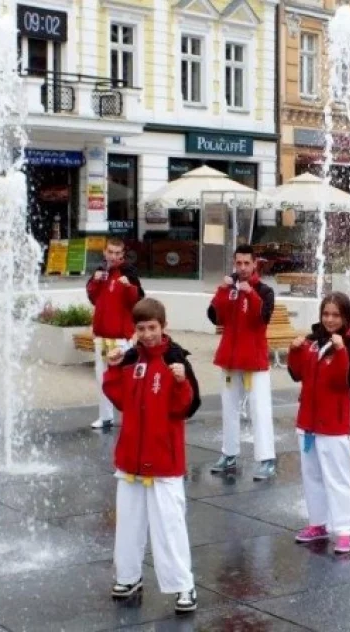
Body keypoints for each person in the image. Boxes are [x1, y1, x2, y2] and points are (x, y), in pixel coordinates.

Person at [102, 298, 201, 612]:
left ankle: (184, 586)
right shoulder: (132, 360)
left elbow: (185, 407)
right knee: (128, 524)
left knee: (169, 527)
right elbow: (118, 399)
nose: (146, 334)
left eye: (152, 328)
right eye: (141, 329)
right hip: (131, 458)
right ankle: (129, 576)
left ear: (163, 326)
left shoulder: (175, 359)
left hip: (163, 460)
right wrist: (114, 369)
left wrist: (181, 381)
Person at [288, 292, 350, 554]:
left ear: (345, 318)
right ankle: (318, 523)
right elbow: (296, 373)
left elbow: (345, 381)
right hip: (308, 423)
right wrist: (294, 350)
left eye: (335, 315)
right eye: (326, 314)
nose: (330, 319)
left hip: (333, 426)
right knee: (312, 476)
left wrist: (341, 351)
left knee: (339, 478)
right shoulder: (312, 342)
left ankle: (344, 530)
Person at [206, 244, 277, 480]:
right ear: (234, 263)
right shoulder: (230, 288)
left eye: (247, 263)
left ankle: (266, 459)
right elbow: (215, 316)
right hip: (229, 358)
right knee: (229, 408)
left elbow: (262, 318)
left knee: (260, 409)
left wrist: (250, 293)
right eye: (239, 263)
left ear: (255, 263)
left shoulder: (265, 291)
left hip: (254, 361)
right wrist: (224, 290)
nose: (243, 268)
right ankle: (229, 454)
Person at [86, 238, 145, 430]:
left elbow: (138, 303)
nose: (114, 256)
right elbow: (94, 299)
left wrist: (129, 286)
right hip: (101, 337)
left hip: (121, 338)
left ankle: (133, 416)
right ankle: (105, 417)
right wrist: (94, 282)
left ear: (122, 254)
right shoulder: (100, 272)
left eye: (118, 253)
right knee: (102, 378)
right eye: (110, 252)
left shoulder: (129, 273)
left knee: (126, 380)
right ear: (104, 252)